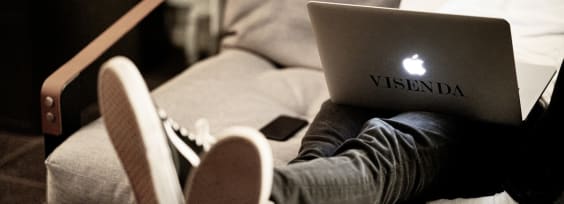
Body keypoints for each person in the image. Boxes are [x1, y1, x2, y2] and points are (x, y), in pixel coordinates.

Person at [98, 54, 563, 204]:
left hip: (516, 117)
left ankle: (233, 186)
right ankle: (269, 186)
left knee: (391, 141)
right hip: (427, 69)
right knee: (347, 98)